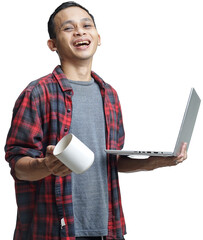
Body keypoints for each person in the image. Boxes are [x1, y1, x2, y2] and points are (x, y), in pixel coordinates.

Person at [4, 2, 187, 240]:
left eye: (86, 25)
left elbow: (111, 162)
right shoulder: (38, 93)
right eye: (68, 28)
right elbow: (18, 166)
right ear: (53, 44)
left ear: (98, 37)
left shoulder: (109, 94)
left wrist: (153, 162)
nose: (80, 31)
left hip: (106, 229)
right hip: (53, 230)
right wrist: (47, 165)